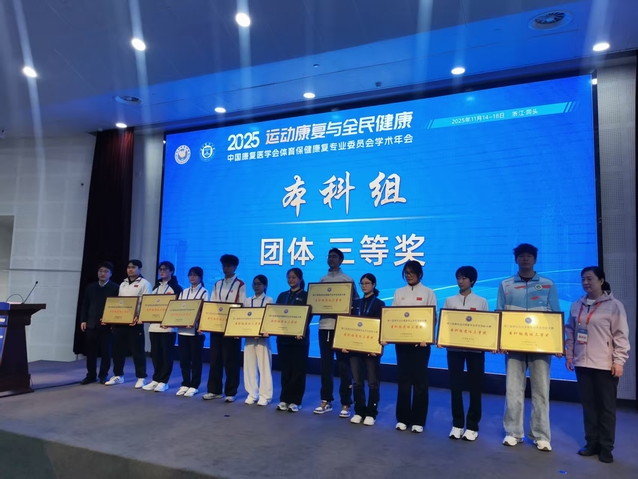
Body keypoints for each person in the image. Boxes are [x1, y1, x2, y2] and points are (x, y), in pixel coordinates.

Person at [496, 243, 560, 452]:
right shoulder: (505, 285)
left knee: (541, 390)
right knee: (513, 389)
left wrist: (557, 343)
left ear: (535, 259)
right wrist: (499, 341)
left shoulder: (548, 284)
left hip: (541, 346)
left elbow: (555, 315)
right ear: (516, 259)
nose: (525, 259)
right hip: (513, 344)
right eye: (521, 256)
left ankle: (541, 436)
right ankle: (513, 432)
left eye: (529, 256)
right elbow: (499, 313)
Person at [565, 267, 630, 464]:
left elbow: (621, 335)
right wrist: (570, 355)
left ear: (601, 281)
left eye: (590, 279)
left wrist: (619, 361)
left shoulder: (614, 306)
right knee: (589, 406)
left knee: (606, 408)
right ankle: (591, 443)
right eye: (583, 279)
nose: (585, 282)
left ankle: (606, 447)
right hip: (582, 363)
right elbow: (570, 332)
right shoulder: (577, 305)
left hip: (605, 365)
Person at [389, 260, 437, 433]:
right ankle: (402, 418)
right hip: (402, 343)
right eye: (406, 273)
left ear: (420, 274)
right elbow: (392, 317)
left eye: (412, 272)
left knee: (420, 381)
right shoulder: (398, 292)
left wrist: (427, 337)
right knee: (403, 380)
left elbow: (432, 318)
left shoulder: (428, 292)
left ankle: (418, 420)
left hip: (421, 344)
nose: (409, 275)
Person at [443, 266, 489, 441]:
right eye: (458, 278)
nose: (460, 281)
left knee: (475, 387)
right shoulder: (449, 300)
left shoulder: (481, 301)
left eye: (464, 278)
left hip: (475, 351)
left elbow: (487, 325)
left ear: (472, 280)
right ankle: (457, 424)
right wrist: (441, 339)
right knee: (455, 386)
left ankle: (472, 426)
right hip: (454, 349)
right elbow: (445, 324)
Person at [314, 248, 359, 418]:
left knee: (344, 366)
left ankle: (346, 403)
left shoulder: (348, 280)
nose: (331, 259)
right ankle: (326, 400)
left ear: (341, 260)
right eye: (329, 256)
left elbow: (355, 303)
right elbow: (316, 302)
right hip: (324, 326)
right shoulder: (322, 280)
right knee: (325, 366)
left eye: (334, 257)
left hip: (341, 328)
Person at [343, 273, 385, 426]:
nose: (364, 286)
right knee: (357, 382)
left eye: (367, 283)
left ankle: (371, 413)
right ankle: (359, 411)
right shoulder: (356, 303)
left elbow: (382, 327)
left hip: (372, 349)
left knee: (373, 382)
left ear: (374, 284)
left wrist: (378, 347)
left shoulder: (380, 304)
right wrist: (345, 344)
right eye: (362, 283)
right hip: (355, 349)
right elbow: (348, 325)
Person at [203, 254, 246, 402]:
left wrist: (237, 329)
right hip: (216, 326)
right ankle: (214, 390)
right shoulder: (217, 284)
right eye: (224, 266)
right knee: (215, 359)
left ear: (235, 267)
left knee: (231, 360)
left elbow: (241, 307)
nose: (226, 268)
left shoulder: (240, 285)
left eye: (229, 266)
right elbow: (212, 305)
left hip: (231, 329)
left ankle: (231, 392)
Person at [105, 260, 152, 388]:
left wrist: (140, 317)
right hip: (121, 321)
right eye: (128, 267)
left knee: (137, 351)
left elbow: (147, 303)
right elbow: (119, 303)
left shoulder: (145, 283)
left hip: (135, 322)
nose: (130, 269)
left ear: (140, 269)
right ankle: (118, 375)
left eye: (133, 267)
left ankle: (141, 377)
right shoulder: (123, 283)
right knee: (118, 350)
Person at [143, 261, 183, 393]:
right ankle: (156, 379)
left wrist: (171, 321)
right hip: (153, 327)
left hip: (168, 328)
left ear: (171, 271)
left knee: (166, 355)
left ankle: (164, 381)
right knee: (156, 355)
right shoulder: (156, 287)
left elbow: (178, 308)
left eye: (165, 269)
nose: (162, 272)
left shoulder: (177, 288)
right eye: (160, 269)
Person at [275, 268, 309, 413]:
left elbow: (309, 315)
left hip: (299, 340)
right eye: (289, 277)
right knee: (285, 370)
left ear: (300, 279)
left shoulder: (306, 296)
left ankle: (296, 401)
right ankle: (284, 399)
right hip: (283, 339)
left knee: (298, 371)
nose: (291, 280)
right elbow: (275, 315)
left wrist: (301, 330)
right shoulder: (282, 295)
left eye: (294, 277)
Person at [79, 262, 119, 385]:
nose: (102, 274)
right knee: (91, 352)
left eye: (106, 271)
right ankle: (91, 375)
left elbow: (118, 307)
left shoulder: (115, 288)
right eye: (100, 271)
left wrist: (114, 323)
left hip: (107, 325)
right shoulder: (91, 287)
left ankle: (103, 375)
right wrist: (83, 320)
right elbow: (85, 305)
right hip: (91, 324)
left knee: (106, 352)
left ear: (111, 274)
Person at [176, 266, 208, 397]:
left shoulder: (204, 292)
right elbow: (177, 309)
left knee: (196, 360)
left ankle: (194, 385)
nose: (192, 277)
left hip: (196, 331)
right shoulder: (183, 292)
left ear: (200, 277)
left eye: (195, 275)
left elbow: (205, 311)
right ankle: (185, 383)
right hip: (182, 330)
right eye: (190, 275)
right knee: (184, 359)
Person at [243, 275, 274, 406]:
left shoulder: (269, 300)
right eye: (254, 284)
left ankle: (265, 396)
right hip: (249, 337)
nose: (256, 286)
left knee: (264, 366)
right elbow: (242, 318)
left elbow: (270, 318)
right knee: (249, 366)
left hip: (262, 338)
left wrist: (265, 331)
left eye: (259, 284)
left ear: (265, 286)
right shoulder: (247, 301)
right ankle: (252, 393)